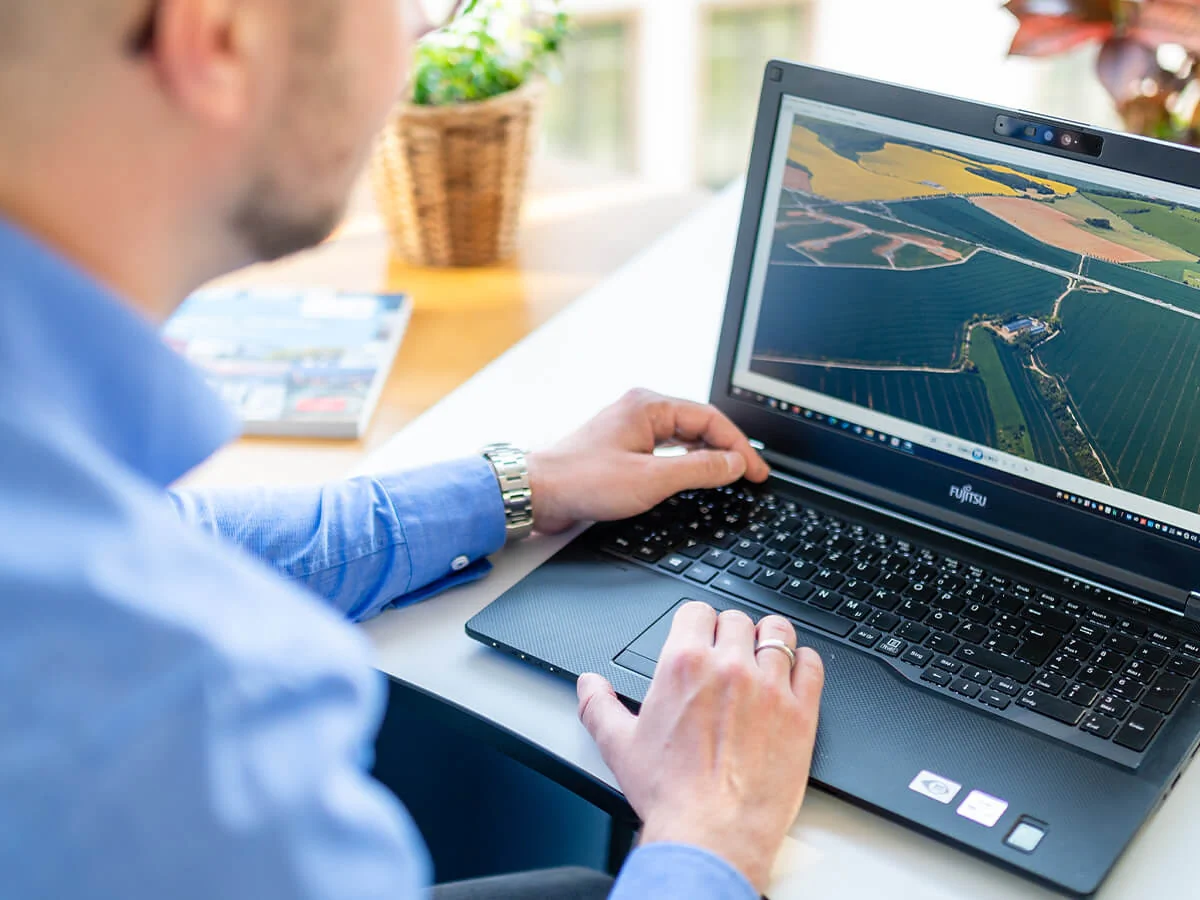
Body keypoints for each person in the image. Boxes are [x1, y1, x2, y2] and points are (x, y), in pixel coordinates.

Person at [0, 1, 826, 898]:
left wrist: (517, 486)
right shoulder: (182, 717)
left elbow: (175, 533)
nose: (425, 28)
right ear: (220, 37)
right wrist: (713, 833)